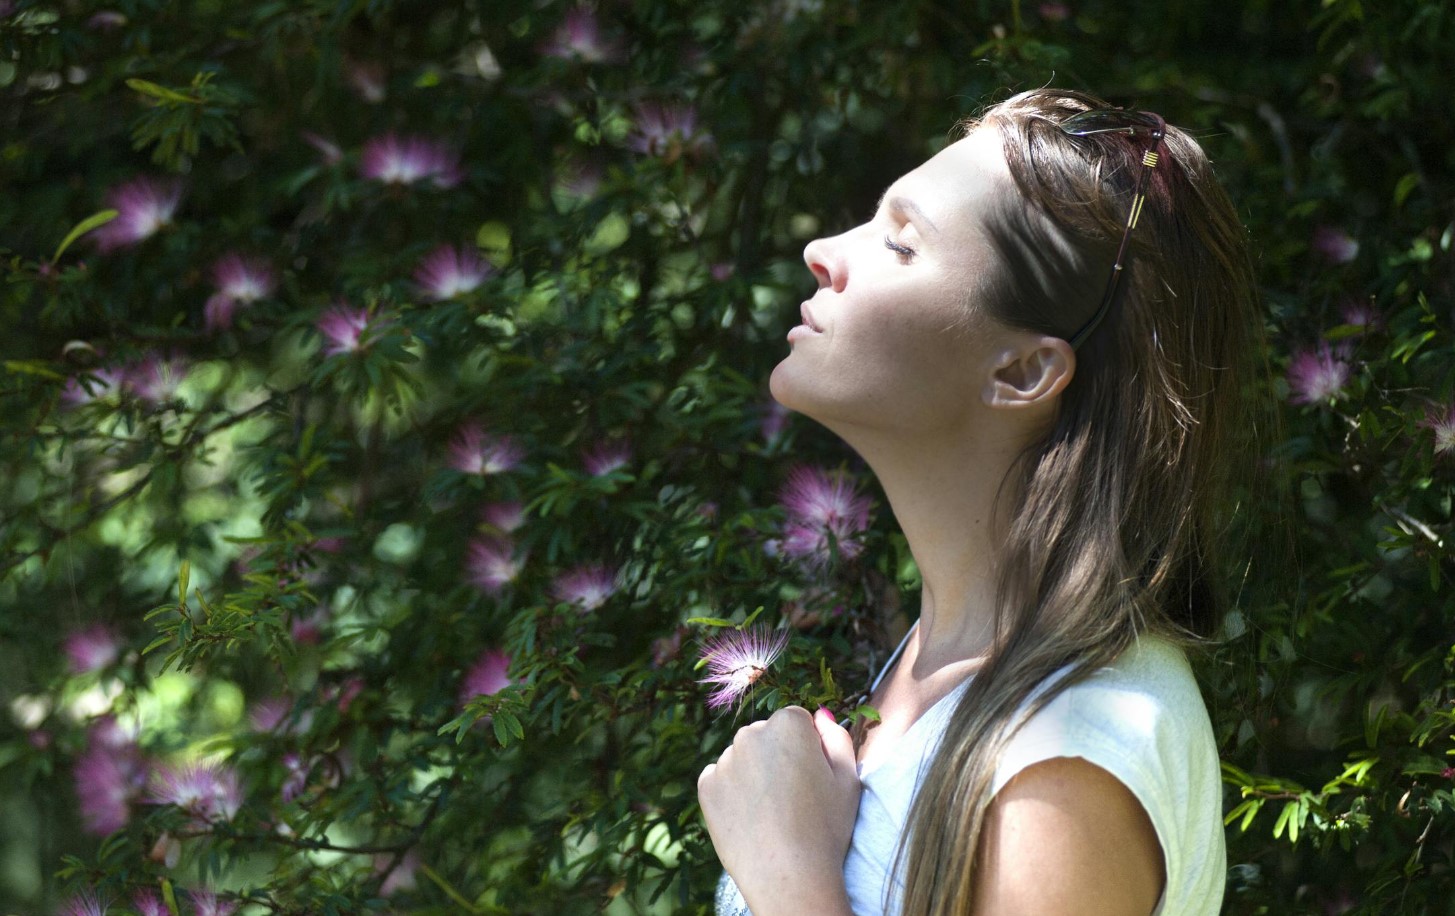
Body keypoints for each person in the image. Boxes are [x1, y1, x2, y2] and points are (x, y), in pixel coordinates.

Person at [698, 87, 1261, 916]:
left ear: (1022, 374)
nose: (822, 249)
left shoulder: (1069, 760)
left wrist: (787, 876)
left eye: (899, 243)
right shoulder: (944, 667)